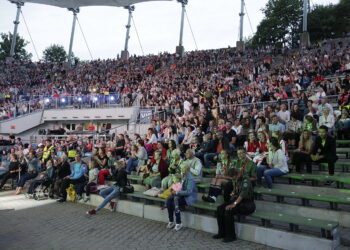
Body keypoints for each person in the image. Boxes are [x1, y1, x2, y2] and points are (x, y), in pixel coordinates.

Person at [213, 168, 255, 243]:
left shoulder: (246, 180)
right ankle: (222, 233)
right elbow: (235, 192)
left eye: (234, 177)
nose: (233, 179)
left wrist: (234, 204)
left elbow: (242, 194)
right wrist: (232, 198)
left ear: (238, 174)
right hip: (238, 201)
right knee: (220, 209)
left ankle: (231, 236)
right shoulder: (236, 180)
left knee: (228, 210)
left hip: (247, 204)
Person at [166, 163, 197, 231]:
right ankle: (171, 221)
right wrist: (174, 189)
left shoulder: (190, 179)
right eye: (181, 168)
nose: (181, 169)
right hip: (181, 195)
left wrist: (176, 192)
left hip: (189, 198)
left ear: (187, 170)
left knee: (174, 203)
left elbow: (189, 192)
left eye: (183, 168)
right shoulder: (183, 175)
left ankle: (178, 223)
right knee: (168, 200)